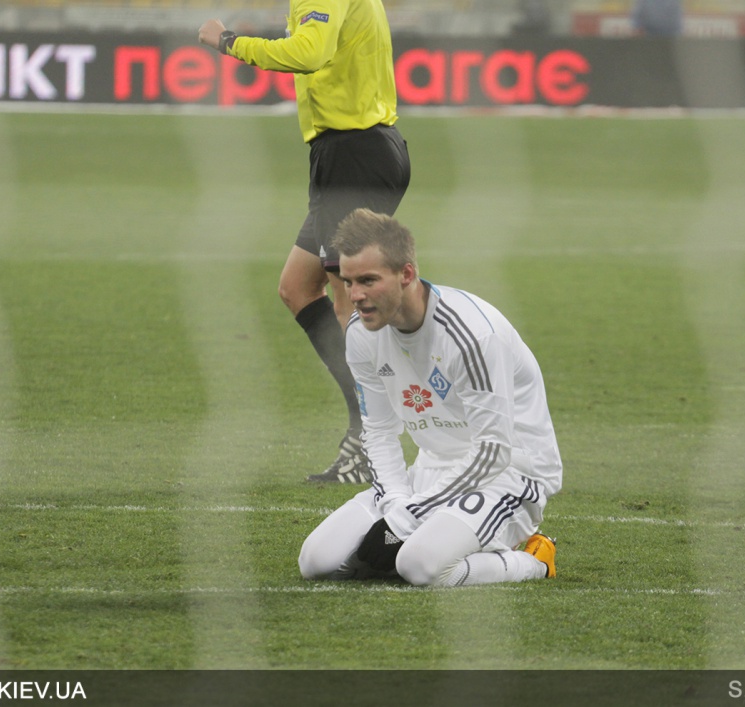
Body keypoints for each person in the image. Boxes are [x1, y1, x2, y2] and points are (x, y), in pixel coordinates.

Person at [198, 1, 411, 483]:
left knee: (350, 298)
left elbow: (309, 53)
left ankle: (374, 437)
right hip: (353, 152)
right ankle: (371, 424)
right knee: (297, 287)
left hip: (354, 155)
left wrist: (229, 42)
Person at [298, 209, 563, 586]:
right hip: (430, 472)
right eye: (348, 281)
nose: (355, 296)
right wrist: (395, 504)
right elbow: (378, 429)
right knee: (316, 561)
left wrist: (403, 522)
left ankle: (534, 561)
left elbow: (493, 450)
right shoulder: (361, 334)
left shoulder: (472, 335)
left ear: (406, 274)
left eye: (368, 280)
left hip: (510, 475)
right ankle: (435, 535)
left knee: (419, 566)